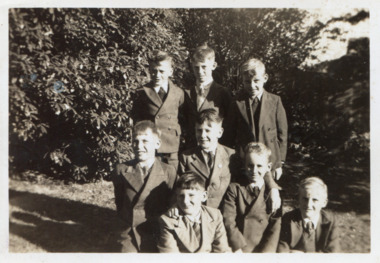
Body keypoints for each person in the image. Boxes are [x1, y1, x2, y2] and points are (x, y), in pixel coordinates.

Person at [179, 108, 281, 211]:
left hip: (225, 213)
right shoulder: (186, 157)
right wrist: (175, 206)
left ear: (220, 132)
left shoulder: (232, 155)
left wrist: (273, 188)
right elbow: (178, 187)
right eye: (199, 130)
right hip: (196, 213)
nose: (203, 135)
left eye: (208, 130)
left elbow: (256, 168)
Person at [112, 120, 176, 252]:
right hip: (130, 233)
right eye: (135, 141)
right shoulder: (122, 170)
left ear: (157, 144)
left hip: (158, 232)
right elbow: (120, 204)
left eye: (145, 141)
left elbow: (171, 203)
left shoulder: (168, 171)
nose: (139, 146)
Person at [222, 58, 288, 181]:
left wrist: (280, 163)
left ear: (265, 78)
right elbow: (228, 135)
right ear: (242, 80)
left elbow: (282, 134)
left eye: (256, 81)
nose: (252, 86)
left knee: (268, 194)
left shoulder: (275, 101)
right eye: (247, 82)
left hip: (269, 161)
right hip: (245, 162)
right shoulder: (236, 103)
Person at [222, 142, 281, 253]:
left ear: (268, 167)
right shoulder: (234, 189)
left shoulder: (272, 193)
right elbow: (229, 220)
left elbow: (275, 226)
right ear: (244, 166)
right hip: (239, 247)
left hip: (262, 248)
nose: (254, 171)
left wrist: (266, 253)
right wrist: (237, 246)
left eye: (259, 166)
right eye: (250, 165)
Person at [131, 50, 184, 169]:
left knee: (171, 178)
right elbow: (137, 120)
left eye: (161, 71)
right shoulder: (142, 93)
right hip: (150, 146)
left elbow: (183, 120)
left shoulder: (178, 93)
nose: (157, 75)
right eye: (153, 71)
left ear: (170, 71)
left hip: (171, 147)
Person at [158, 173, 231, 253]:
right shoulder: (168, 221)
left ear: (204, 196)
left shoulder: (214, 215)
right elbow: (170, 257)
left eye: (191, 195)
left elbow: (222, 251)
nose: (185, 201)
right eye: (181, 196)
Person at [183, 44, 232, 148]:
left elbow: (230, 124)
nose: (200, 72)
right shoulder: (186, 93)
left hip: (215, 148)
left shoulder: (222, 92)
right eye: (196, 67)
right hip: (191, 149)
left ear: (213, 66)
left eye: (204, 67)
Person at [277, 177, 340, 253]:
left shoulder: (330, 222)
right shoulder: (288, 219)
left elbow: (333, 254)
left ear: (324, 203)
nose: (308, 205)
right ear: (298, 199)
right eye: (305, 199)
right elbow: (282, 251)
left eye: (315, 200)